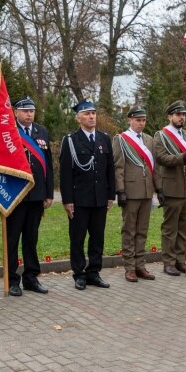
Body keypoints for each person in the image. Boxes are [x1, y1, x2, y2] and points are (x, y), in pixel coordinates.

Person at [59, 100, 115, 290]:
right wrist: (67, 200)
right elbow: (65, 173)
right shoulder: (70, 140)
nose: (91, 117)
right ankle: (79, 274)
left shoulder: (104, 139)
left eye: (93, 113)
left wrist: (110, 195)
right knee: (78, 238)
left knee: (97, 237)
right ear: (78, 118)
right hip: (79, 199)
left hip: (99, 198)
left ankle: (94, 273)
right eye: (87, 114)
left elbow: (110, 170)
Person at [5, 97, 55, 295]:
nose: (28, 114)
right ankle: (12, 279)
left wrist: (49, 192)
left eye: (31, 111)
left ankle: (31, 277)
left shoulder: (41, 132)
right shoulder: (8, 132)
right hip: (15, 194)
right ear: (15, 112)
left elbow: (48, 165)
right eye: (24, 111)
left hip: (36, 194)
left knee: (31, 238)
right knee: (12, 238)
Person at [112, 105, 158, 282]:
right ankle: (129, 267)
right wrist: (121, 190)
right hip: (130, 191)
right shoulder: (121, 139)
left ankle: (140, 265)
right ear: (130, 120)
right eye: (138, 120)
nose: (141, 123)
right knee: (129, 230)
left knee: (142, 230)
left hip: (147, 191)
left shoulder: (148, 139)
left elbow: (154, 167)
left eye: (143, 120)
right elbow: (118, 166)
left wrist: (158, 188)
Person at [153, 100, 186, 276]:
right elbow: (161, 158)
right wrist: (182, 157)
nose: (181, 117)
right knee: (170, 228)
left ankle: (180, 260)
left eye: (183, 114)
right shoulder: (161, 136)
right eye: (177, 114)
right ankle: (168, 262)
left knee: (184, 228)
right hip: (171, 187)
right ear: (170, 116)